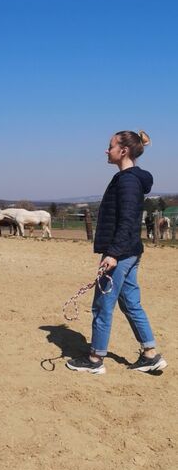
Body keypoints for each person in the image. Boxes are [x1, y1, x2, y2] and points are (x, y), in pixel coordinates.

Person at [66, 130, 167, 375]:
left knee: (102, 305)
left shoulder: (128, 181)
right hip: (128, 251)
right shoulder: (129, 179)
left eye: (110, 146)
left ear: (123, 151)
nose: (106, 150)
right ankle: (149, 354)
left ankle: (95, 359)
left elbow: (128, 221)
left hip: (120, 253)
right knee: (131, 303)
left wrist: (112, 254)